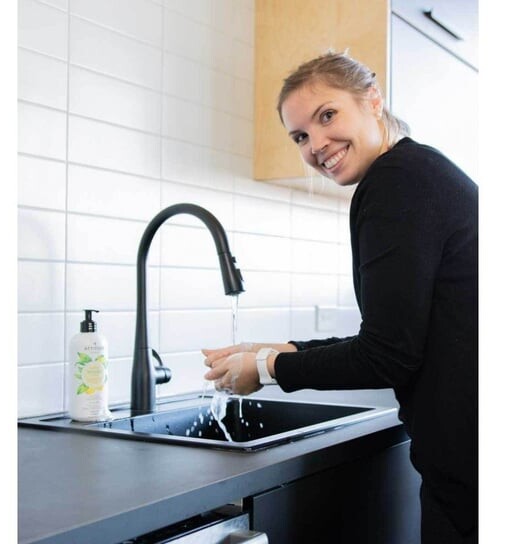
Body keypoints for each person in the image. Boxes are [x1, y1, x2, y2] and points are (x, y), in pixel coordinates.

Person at [203, 51, 477, 544]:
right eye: (300, 136)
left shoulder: (396, 182)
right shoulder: (419, 171)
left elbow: (386, 357)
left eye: (327, 115)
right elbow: (396, 339)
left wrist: (265, 369)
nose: (316, 145)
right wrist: (275, 350)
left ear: (372, 100)